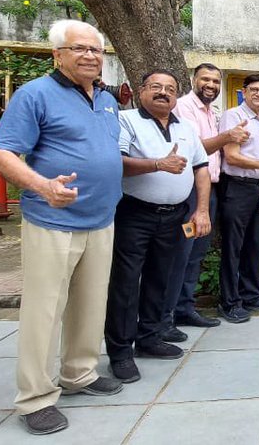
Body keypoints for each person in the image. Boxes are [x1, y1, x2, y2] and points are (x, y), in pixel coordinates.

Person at [0, 19, 125, 435]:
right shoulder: (35, 94)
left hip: (101, 218)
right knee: (45, 310)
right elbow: (2, 153)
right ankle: (35, 397)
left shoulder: (106, 99)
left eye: (96, 50)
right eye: (79, 48)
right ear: (58, 55)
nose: (90, 56)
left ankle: (79, 373)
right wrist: (43, 186)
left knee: (91, 304)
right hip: (53, 220)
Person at [104, 70, 212, 384]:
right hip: (135, 214)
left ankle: (149, 337)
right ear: (141, 91)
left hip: (176, 215)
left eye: (170, 89)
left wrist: (201, 210)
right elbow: (116, 162)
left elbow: (201, 170)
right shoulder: (125, 120)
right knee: (126, 283)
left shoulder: (186, 128)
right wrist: (158, 164)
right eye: (156, 87)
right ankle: (120, 353)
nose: (163, 92)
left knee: (160, 278)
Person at [162, 63, 249, 339]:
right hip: (188, 190)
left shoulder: (211, 112)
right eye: (205, 79)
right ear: (193, 80)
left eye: (215, 81)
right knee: (180, 252)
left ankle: (184, 308)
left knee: (196, 252)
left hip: (209, 189)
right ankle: (164, 317)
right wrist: (227, 137)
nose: (210, 85)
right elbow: (196, 149)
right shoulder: (184, 107)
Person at [216, 74, 259, 323]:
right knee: (233, 247)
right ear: (244, 92)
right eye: (254, 89)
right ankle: (229, 302)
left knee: (256, 245)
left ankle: (251, 295)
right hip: (237, 188)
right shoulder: (234, 116)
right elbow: (231, 156)